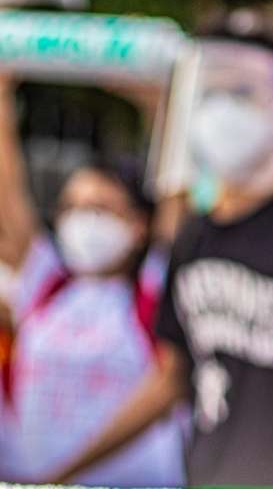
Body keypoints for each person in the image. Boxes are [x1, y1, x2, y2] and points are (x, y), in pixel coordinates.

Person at [53, 28, 273, 485]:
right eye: (210, 91)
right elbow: (172, 375)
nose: (221, 109)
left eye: (242, 91)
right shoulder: (194, 236)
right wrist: (61, 472)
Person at [0, 74, 184, 485]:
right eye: (72, 207)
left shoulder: (153, 292)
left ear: (139, 225)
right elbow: (7, 190)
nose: (84, 220)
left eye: (101, 208)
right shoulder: (45, 285)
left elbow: (176, 192)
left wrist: (162, 106)